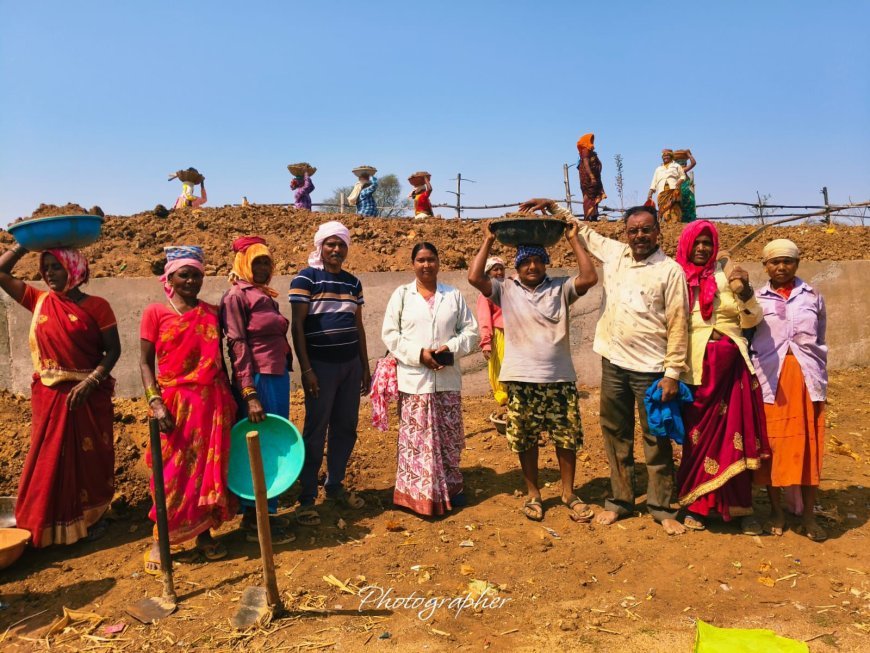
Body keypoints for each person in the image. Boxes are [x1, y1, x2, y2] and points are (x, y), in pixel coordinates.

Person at [563, 201, 690, 535]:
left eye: (646, 229)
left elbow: (679, 323)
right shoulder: (616, 254)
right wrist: (552, 207)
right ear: (625, 233)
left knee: (655, 437)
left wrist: (672, 372)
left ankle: (661, 505)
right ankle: (621, 499)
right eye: (633, 230)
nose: (639, 236)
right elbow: (583, 231)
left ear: (658, 232)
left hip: (651, 369)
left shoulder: (670, 271)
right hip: (614, 363)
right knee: (615, 433)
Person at [469, 205, 598, 523]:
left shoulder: (560, 288)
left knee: (566, 438)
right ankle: (534, 494)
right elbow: (474, 277)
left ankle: (568, 494)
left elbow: (590, 277)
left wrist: (573, 240)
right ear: (517, 266)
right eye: (525, 261)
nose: (531, 266)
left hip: (559, 378)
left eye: (537, 260)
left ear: (545, 263)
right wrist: (487, 240)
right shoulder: (506, 289)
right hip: (521, 379)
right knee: (525, 438)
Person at [0, 245, 120, 547]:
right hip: (50, 396)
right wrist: (24, 244)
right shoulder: (39, 301)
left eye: (57, 267)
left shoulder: (98, 307)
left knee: (90, 461)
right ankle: (48, 524)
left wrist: (91, 382)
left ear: (74, 269)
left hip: (87, 396)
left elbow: (113, 350)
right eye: (47, 267)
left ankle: (91, 520)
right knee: (49, 460)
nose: (50, 274)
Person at [140, 246, 236, 572]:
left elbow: (224, 358)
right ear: (170, 277)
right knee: (170, 474)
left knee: (208, 473)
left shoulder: (211, 311)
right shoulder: (155, 313)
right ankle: (160, 538)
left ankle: (204, 535)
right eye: (185, 274)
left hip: (211, 405)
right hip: (173, 407)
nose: (192, 280)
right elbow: (144, 363)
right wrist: (155, 402)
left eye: (196, 274)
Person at [673, 221, 770, 534]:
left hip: (733, 368)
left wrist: (745, 291)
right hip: (694, 369)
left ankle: (741, 509)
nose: (701, 248)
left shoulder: (728, 275)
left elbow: (753, 318)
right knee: (697, 436)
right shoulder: (675, 277)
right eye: (696, 242)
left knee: (736, 436)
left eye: (707, 243)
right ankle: (697, 507)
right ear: (687, 244)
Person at [382, 242, 478, 516]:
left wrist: (452, 348)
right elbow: (390, 334)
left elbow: (470, 331)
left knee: (448, 437)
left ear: (439, 263)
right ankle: (416, 494)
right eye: (421, 260)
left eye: (431, 259)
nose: (426, 265)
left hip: (446, 380)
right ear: (413, 264)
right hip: (414, 381)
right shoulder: (401, 295)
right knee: (417, 440)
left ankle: (451, 488)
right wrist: (418, 354)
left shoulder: (453, 295)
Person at [289, 222, 371, 526]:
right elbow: (297, 326)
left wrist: (364, 366)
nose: (336, 250)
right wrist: (307, 369)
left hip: (350, 366)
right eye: (330, 244)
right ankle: (307, 496)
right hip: (320, 368)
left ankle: (334, 485)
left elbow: (358, 326)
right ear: (320, 247)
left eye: (341, 245)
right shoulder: (305, 278)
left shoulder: (353, 283)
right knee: (315, 429)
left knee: (346, 427)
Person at [751, 239, 828, 541]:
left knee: (809, 448)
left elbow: (819, 339)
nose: (781, 267)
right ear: (765, 266)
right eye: (774, 262)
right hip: (772, 381)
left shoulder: (813, 297)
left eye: (787, 261)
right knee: (773, 448)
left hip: (807, 380)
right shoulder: (757, 300)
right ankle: (776, 511)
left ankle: (808, 516)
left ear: (797, 263)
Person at [220, 236, 294, 544]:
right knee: (260, 447)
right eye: (256, 262)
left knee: (274, 445)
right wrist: (249, 392)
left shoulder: (264, 295)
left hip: (277, 376)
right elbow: (238, 345)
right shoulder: (236, 297)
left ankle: (266, 513)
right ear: (243, 264)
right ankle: (254, 518)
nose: (263, 267)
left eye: (266, 261)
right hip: (259, 379)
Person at [476, 257, 508, 409]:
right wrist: (486, 343)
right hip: (499, 334)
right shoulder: (485, 294)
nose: (499, 272)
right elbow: (484, 319)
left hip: (515, 334)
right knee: (501, 367)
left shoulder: (510, 289)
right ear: (488, 273)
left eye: (501, 269)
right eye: (495, 269)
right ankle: (504, 398)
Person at [647, 150, 687, 223]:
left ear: (671, 157)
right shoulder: (658, 169)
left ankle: (676, 223)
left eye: (667, 156)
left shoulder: (676, 166)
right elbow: (654, 181)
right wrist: (650, 192)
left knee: (675, 207)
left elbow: (683, 176)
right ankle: (667, 223)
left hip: (674, 189)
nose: (665, 157)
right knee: (664, 209)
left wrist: (679, 182)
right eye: (664, 156)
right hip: (662, 191)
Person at [576, 133, 607, 221]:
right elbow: (586, 164)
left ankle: (594, 216)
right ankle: (588, 217)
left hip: (595, 178)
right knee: (589, 196)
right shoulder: (585, 151)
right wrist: (592, 176)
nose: (592, 142)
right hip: (589, 179)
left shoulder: (591, 152)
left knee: (594, 196)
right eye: (590, 140)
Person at [674, 150, 697, 222]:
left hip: (684, 191)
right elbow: (693, 163)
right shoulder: (681, 170)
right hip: (683, 192)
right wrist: (689, 155)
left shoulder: (677, 171)